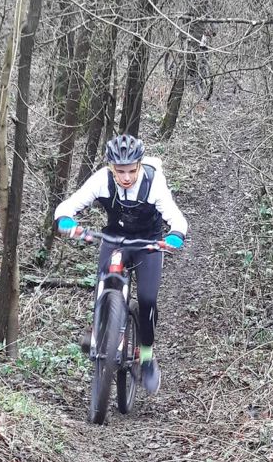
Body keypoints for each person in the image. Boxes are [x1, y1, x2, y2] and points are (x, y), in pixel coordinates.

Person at [54, 134, 188, 395]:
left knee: (147, 299)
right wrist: (67, 221)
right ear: (111, 167)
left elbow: (176, 218)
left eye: (131, 171)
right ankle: (99, 329)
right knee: (104, 280)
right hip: (114, 239)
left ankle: (146, 357)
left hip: (148, 243)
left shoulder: (153, 182)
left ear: (139, 165)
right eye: (120, 171)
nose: (126, 177)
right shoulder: (102, 179)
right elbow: (68, 206)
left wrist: (175, 235)